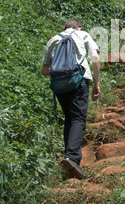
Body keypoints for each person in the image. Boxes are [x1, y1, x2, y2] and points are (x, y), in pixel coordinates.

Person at [41, 19, 100, 180]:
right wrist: (97, 83)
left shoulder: (53, 39)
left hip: (59, 85)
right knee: (78, 119)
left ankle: (70, 158)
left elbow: (45, 70)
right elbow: (94, 57)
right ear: (78, 27)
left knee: (69, 119)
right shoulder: (82, 35)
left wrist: (61, 72)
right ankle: (72, 158)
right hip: (78, 81)